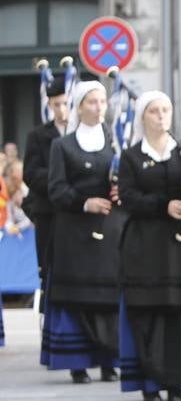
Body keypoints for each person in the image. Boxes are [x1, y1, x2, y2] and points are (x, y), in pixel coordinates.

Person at [114, 92, 181, 401]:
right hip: (146, 246)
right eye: (154, 111)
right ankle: (150, 381)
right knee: (150, 312)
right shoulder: (132, 156)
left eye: (165, 110)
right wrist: (164, 205)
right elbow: (128, 197)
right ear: (142, 117)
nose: (161, 116)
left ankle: (178, 381)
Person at [42, 81, 123, 384]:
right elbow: (56, 188)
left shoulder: (114, 143)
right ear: (79, 107)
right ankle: (78, 363)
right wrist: (83, 202)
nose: (99, 107)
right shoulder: (62, 146)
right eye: (91, 102)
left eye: (102, 101)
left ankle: (108, 360)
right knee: (77, 298)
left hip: (107, 230)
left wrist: (120, 191)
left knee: (107, 298)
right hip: (73, 232)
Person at [23, 82, 69, 286]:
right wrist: (60, 179)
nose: (62, 109)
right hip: (48, 211)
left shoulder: (86, 134)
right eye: (57, 104)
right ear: (50, 105)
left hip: (76, 213)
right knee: (48, 267)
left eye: (66, 104)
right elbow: (31, 173)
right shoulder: (38, 135)